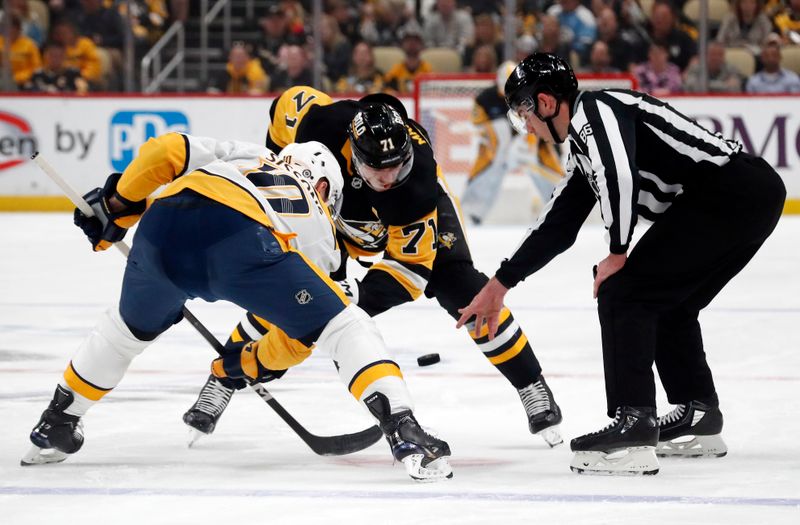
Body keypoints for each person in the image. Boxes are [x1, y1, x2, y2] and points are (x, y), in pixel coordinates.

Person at [23, 134, 453, 482]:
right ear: (325, 186)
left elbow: (164, 151)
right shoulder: (321, 231)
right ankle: (402, 427)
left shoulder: (248, 155)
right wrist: (248, 361)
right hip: (243, 241)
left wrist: (119, 205)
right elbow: (298, 340)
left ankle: (56, 422)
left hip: (162, 229)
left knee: (124, 332)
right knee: (345, 326)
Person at [457, 53, 786, 475]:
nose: (528, 128)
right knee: (670, 303)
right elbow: (556, 226)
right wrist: (498, 285)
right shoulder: (583, 147)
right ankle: (699, 415)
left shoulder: (597, 110)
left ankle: (633, 425)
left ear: (544, 102)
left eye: (525, 113)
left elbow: (620, 176)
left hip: (732, 192)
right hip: (744, 197)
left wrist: (617, 252)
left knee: (623, 291)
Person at [183, 88, 565, 448]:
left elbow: (409, 272)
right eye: (378, 170)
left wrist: (351, 300)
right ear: (352, 153)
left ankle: (530, 383)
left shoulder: (414, 185)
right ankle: (225, 376)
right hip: (330, 208)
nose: (389, 179)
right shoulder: (319, 126)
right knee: (290, 286)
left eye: (398, 167)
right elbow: (287, 106)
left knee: (458, 284)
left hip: (400, 226)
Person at [461, 61, 564, 226]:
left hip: (528, 141)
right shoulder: (484, 99)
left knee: (542, 166)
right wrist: (497, 137)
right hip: (498, 148)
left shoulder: (532, 95)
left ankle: (563, 206)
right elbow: (477, 124)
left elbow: (543, 121)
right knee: (491, 162)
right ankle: (473, 210)